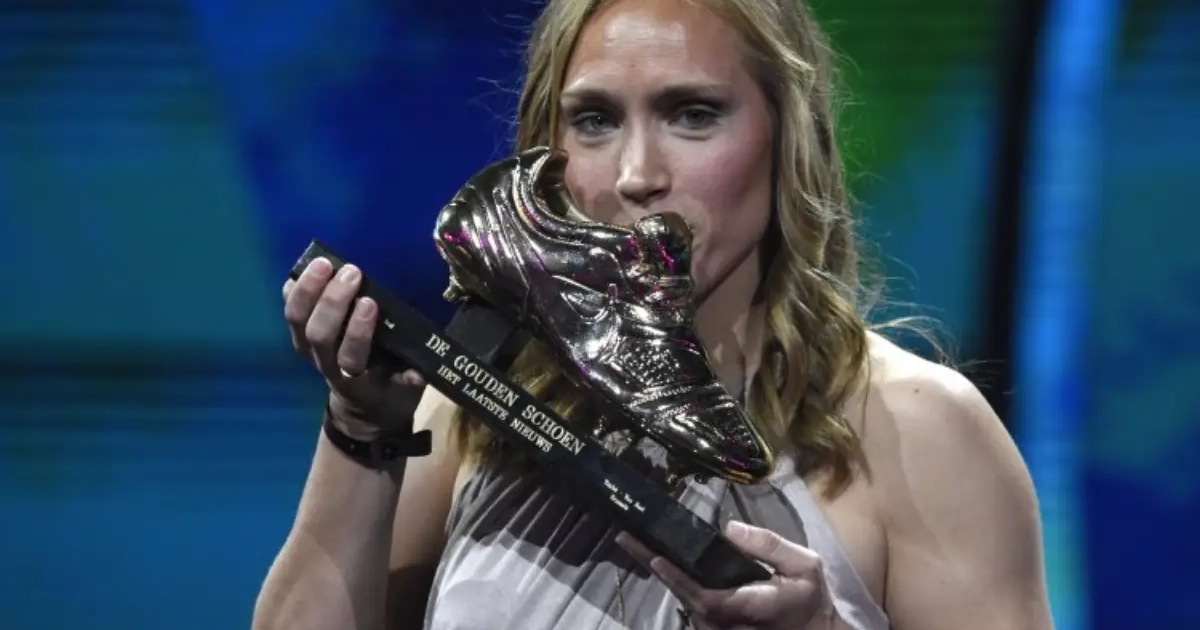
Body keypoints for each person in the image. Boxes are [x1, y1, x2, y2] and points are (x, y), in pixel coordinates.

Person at [255, 0, 1054, 628]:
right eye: (595, 121)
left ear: (788, 138)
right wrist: (360, 428)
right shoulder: (470, 410)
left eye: (693, 114)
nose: (637, 175)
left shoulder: (918, 428)